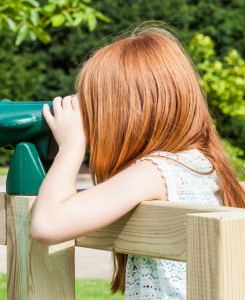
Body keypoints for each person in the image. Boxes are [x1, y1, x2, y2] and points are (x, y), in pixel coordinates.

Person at [31, 25, 245, 299]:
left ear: (125, 114)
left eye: (97, 109)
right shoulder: (201, 163)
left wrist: (71, 146)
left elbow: (47, 224)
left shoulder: (154, 171)